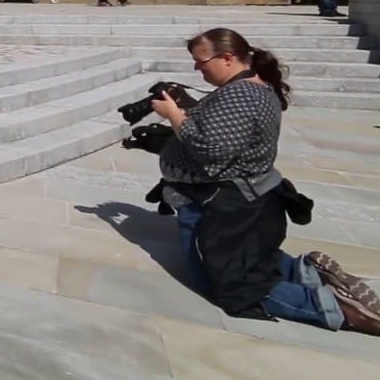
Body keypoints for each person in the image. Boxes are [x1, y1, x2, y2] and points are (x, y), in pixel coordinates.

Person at [151, 28, 380, 334]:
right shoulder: (247, 88)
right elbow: (224, 132)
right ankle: (306, 271)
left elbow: (210, 150)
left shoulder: (243, 94)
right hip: (244, 199)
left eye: (200, 61)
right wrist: (187, 108)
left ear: (228, 58)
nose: (197, 68)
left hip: (226, 203)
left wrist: (173, 115)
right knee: (248, 256)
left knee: (224, 279)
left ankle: (338, 308)